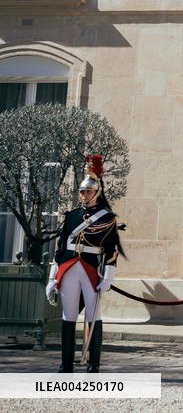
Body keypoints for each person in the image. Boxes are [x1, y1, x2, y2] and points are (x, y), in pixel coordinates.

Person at [46, 155, 123, 373]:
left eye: (88, 191)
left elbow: (112, 250)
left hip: (91, 268)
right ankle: (66, 365)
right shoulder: (71, 216)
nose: (84, 195)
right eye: (82, 191)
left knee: (93, 316)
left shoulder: (107, 218)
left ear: (97, 192)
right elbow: (60, 248)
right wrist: (52, 278)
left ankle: (93, 365)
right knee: (68, 316)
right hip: (69, 267)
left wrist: (108, 277)